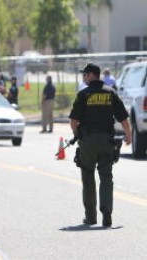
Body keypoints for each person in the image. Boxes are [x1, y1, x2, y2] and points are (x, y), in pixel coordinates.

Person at [69, 63, 132, 228]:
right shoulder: (111, 93)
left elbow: (74, 122)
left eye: (85, 74)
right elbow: (123, 118)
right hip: (106, 141)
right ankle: (107, 214)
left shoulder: (83, 94)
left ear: (91, 75)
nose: (83, 77)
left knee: (88, 176)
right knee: (106, 177)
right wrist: (129, 135)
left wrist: (78, 136)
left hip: (88, 142)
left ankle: (91, 217)